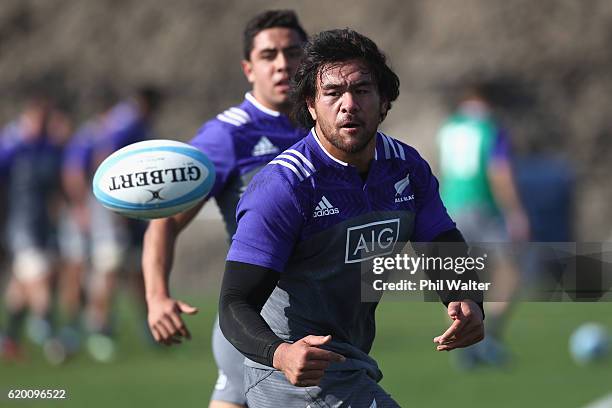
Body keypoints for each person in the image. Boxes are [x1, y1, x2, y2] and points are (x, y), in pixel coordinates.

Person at [218, 29, 484, 407]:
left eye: (361, 90)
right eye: (332, 93)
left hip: (350, 360)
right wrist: (281, 354)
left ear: (384, 101)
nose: (349, 104)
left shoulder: (405, 167)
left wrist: (466, 296)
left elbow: (441, 240)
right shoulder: (284, 186)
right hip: (296, 375)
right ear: (310, 104)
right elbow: (234, 302)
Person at [141, 10, 308, 408]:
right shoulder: (227, 135)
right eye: (269, 55)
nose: (282, 63)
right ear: (249, 68)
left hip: (319, 312)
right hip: (256, 310)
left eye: (293, 51)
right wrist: (157, 296)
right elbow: (164, 221)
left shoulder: (326, 127)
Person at [60, 85, 161, 362]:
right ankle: (99, 330)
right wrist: (107, 204)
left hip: (128, 211)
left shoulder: (131, 123)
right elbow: (100, 160)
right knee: (108, 267)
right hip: (112, 210)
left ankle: (148, 327)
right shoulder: (124, 124)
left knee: (135, 269)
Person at [436, 85, 529, 368]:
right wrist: (515, 212)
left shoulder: (448, 128)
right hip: (482, 207)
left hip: (450, 207)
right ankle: (487, 337)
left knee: (458, 282)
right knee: (512, 272)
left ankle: (463, 345)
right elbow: (499, 171)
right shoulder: (490, 127)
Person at [0, 94, 70, 361]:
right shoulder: (11, 146)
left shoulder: (48, 147)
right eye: (38, 120)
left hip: (43, 226)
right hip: (20, 226)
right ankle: (52, 339)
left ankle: (9, 339)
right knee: (40, 279)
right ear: (26, 119)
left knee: (20, 288)